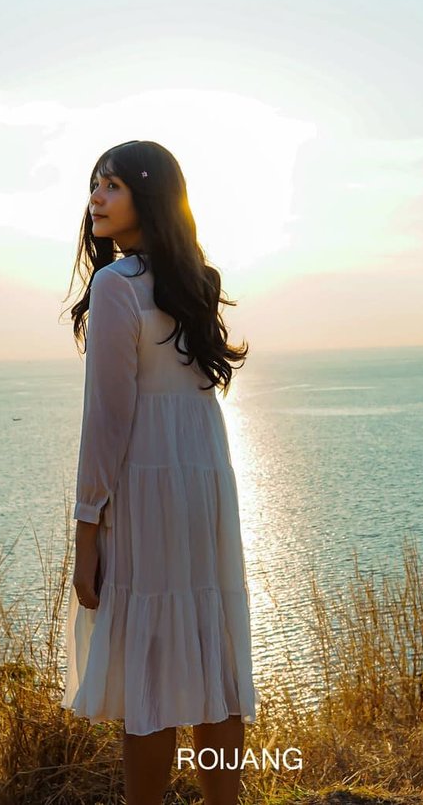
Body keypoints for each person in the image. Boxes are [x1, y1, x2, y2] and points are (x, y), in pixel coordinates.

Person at [61, 140, 257, 805]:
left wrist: (86, 529)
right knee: (210, 657)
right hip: (203, 487)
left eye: (112, 186)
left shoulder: (115, 286)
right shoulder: (194, 284)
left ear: (148, 197)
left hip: (147, 488)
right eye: (95, 185)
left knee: (149, 668)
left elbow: (108, 420)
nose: (97, 198)